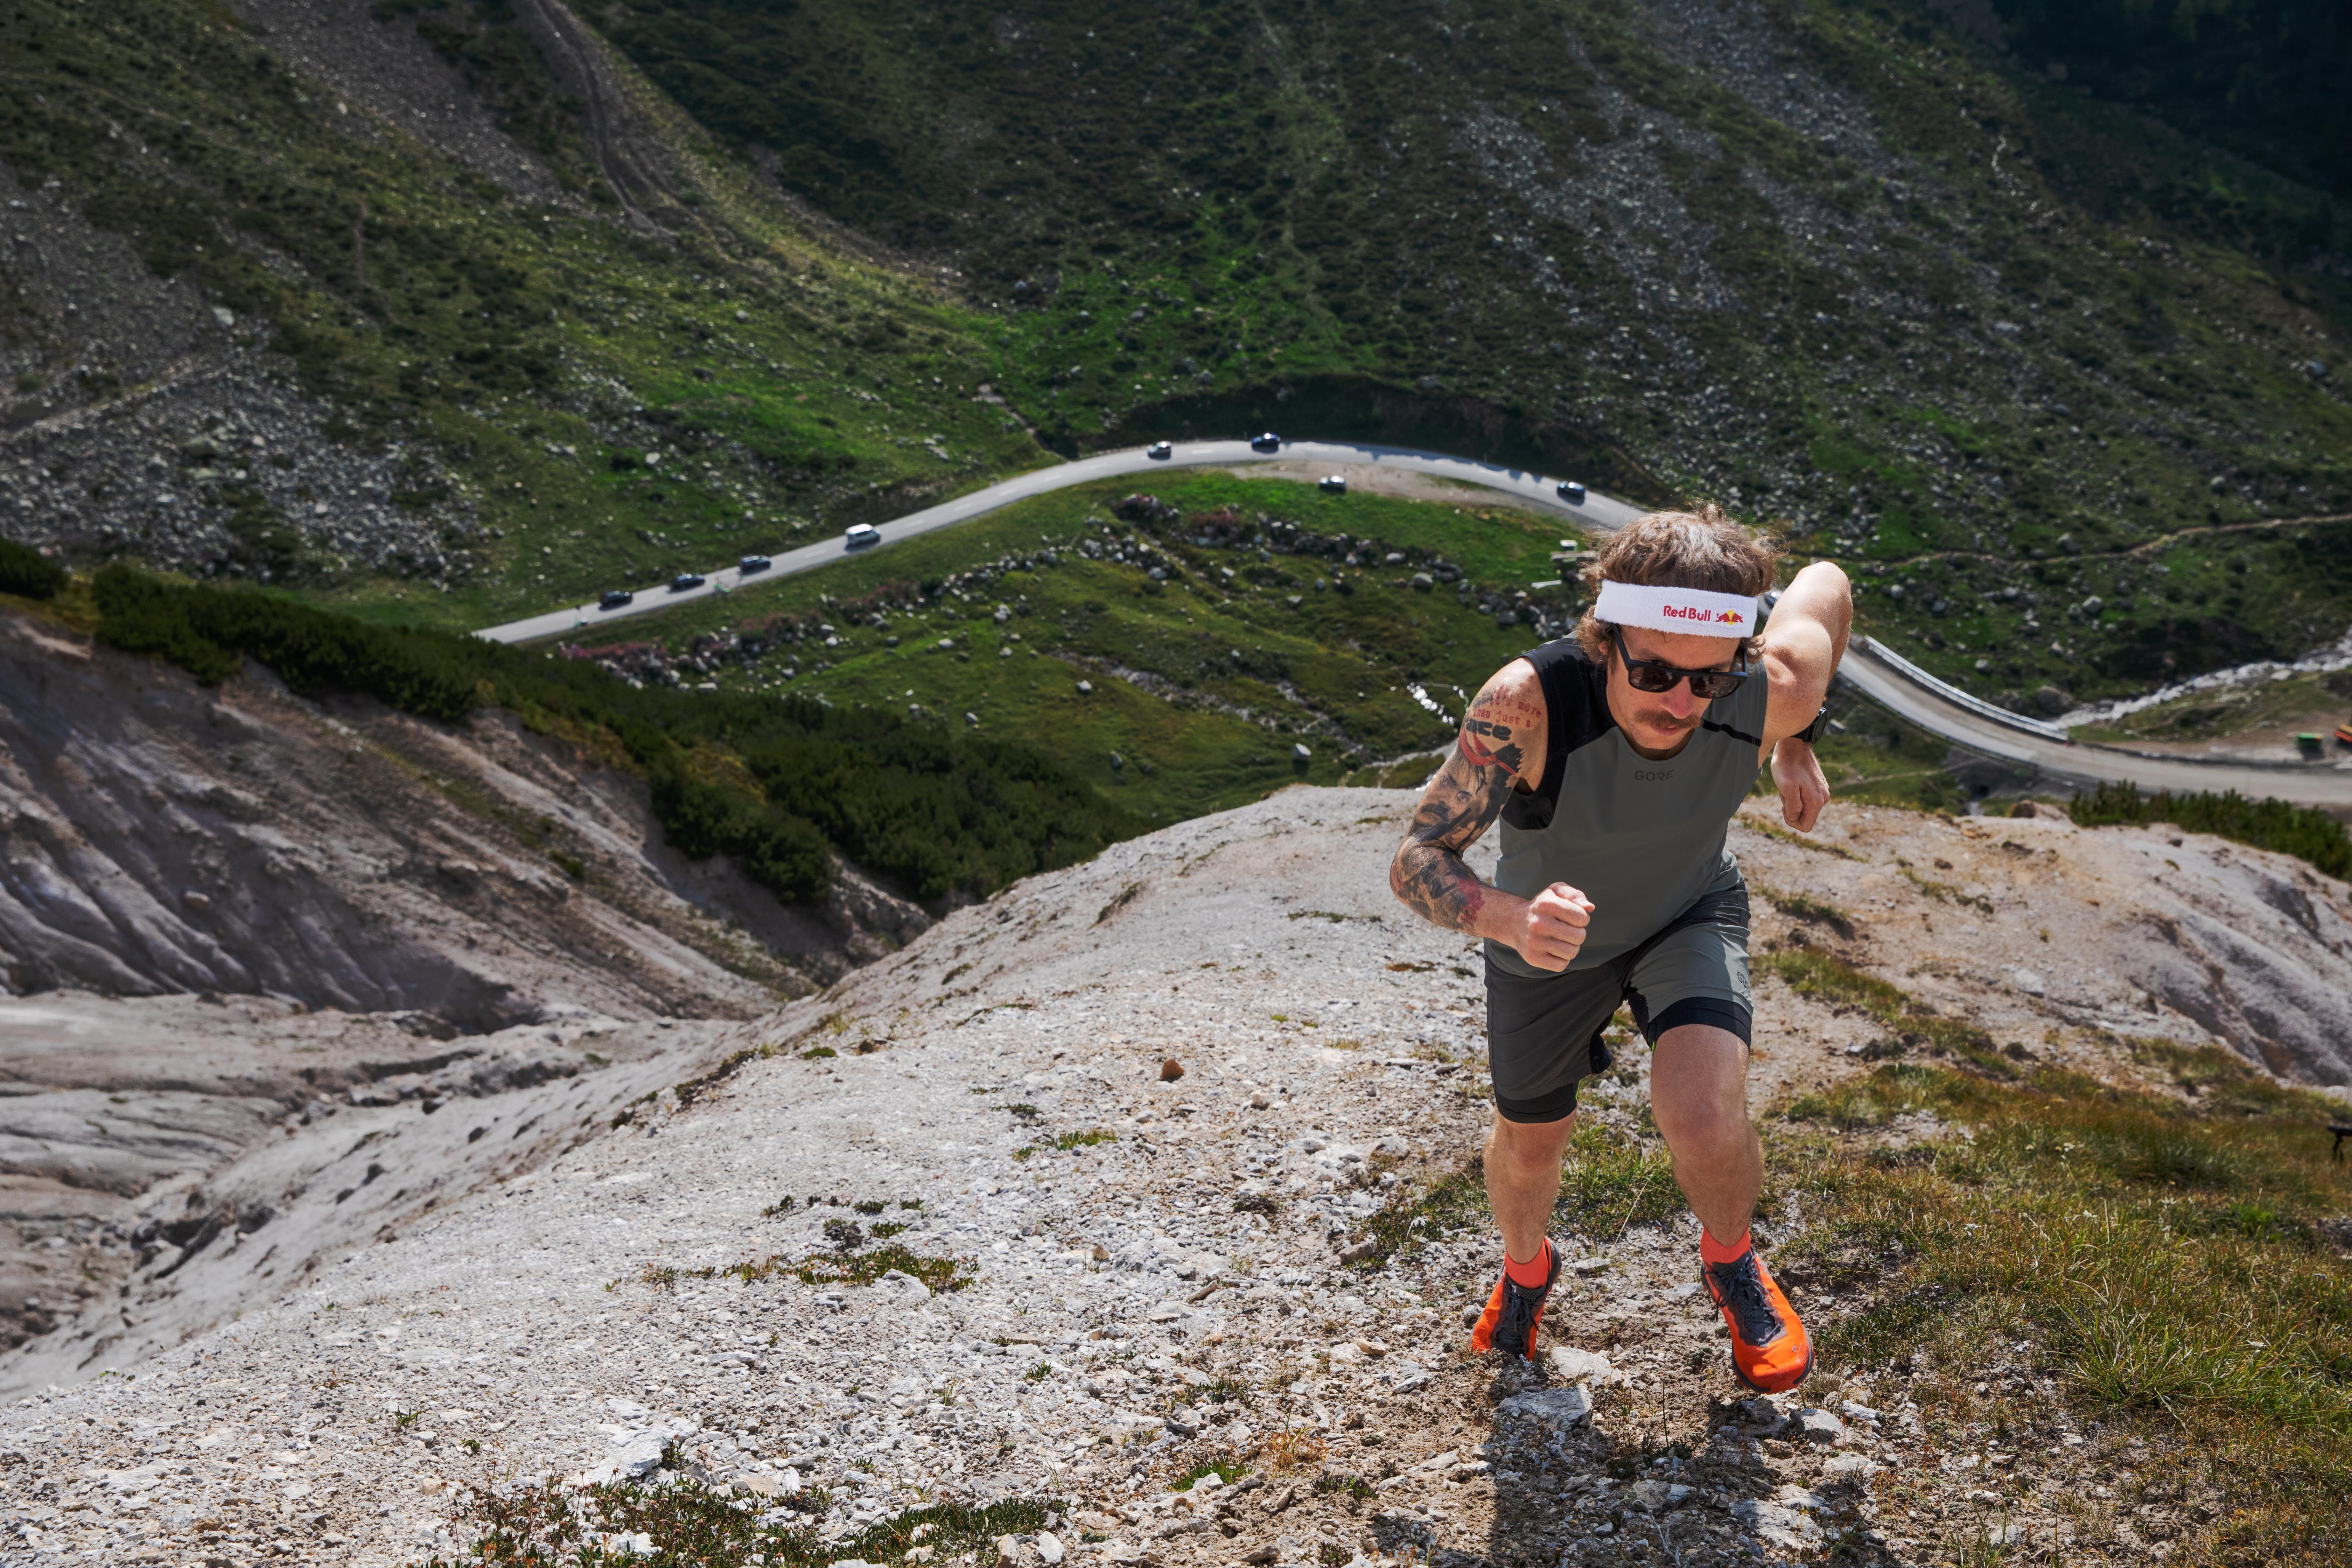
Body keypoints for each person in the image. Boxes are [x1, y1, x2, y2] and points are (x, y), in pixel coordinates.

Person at [1387, 505, 1850, 1393]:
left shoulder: (1773, 686)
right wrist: (1509, 918)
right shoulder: (1526, 704)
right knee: (1531, 1145)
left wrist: (1797, 737)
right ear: (1607, 638)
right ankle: (1527, 1270)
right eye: (1655, 671)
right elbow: (1417, 857)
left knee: (1703, 1115)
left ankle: (1733, 1260)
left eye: (1709, 679)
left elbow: (1826, 584)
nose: (1681, 702)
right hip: (1547, 940)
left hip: (1687, 909)